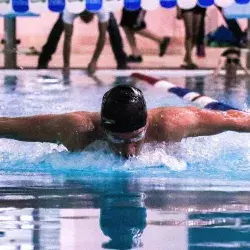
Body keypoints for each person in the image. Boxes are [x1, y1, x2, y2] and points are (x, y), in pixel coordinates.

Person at [0, 85, 249, 158]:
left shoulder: (172, 124)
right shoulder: (77, 129)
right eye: (117, 140)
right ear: (103, 129)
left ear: (146, 126)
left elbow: (233, 119)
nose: (128, 151)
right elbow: (9, 125)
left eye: (136, 138)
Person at [37, 10, 128, 74]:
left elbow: (102, 37)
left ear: (93, 13)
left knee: (113, 28)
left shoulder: (102, 8)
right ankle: (43, 60)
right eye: (84, 18)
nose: (86, 21)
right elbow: (67, 38)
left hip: (97, 5)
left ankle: (122, 62)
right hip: (74, 4)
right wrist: (66, 65)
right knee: (57, 30)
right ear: (79, 14)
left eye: (89, 18)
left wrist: (94, 61)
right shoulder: (70, 9)